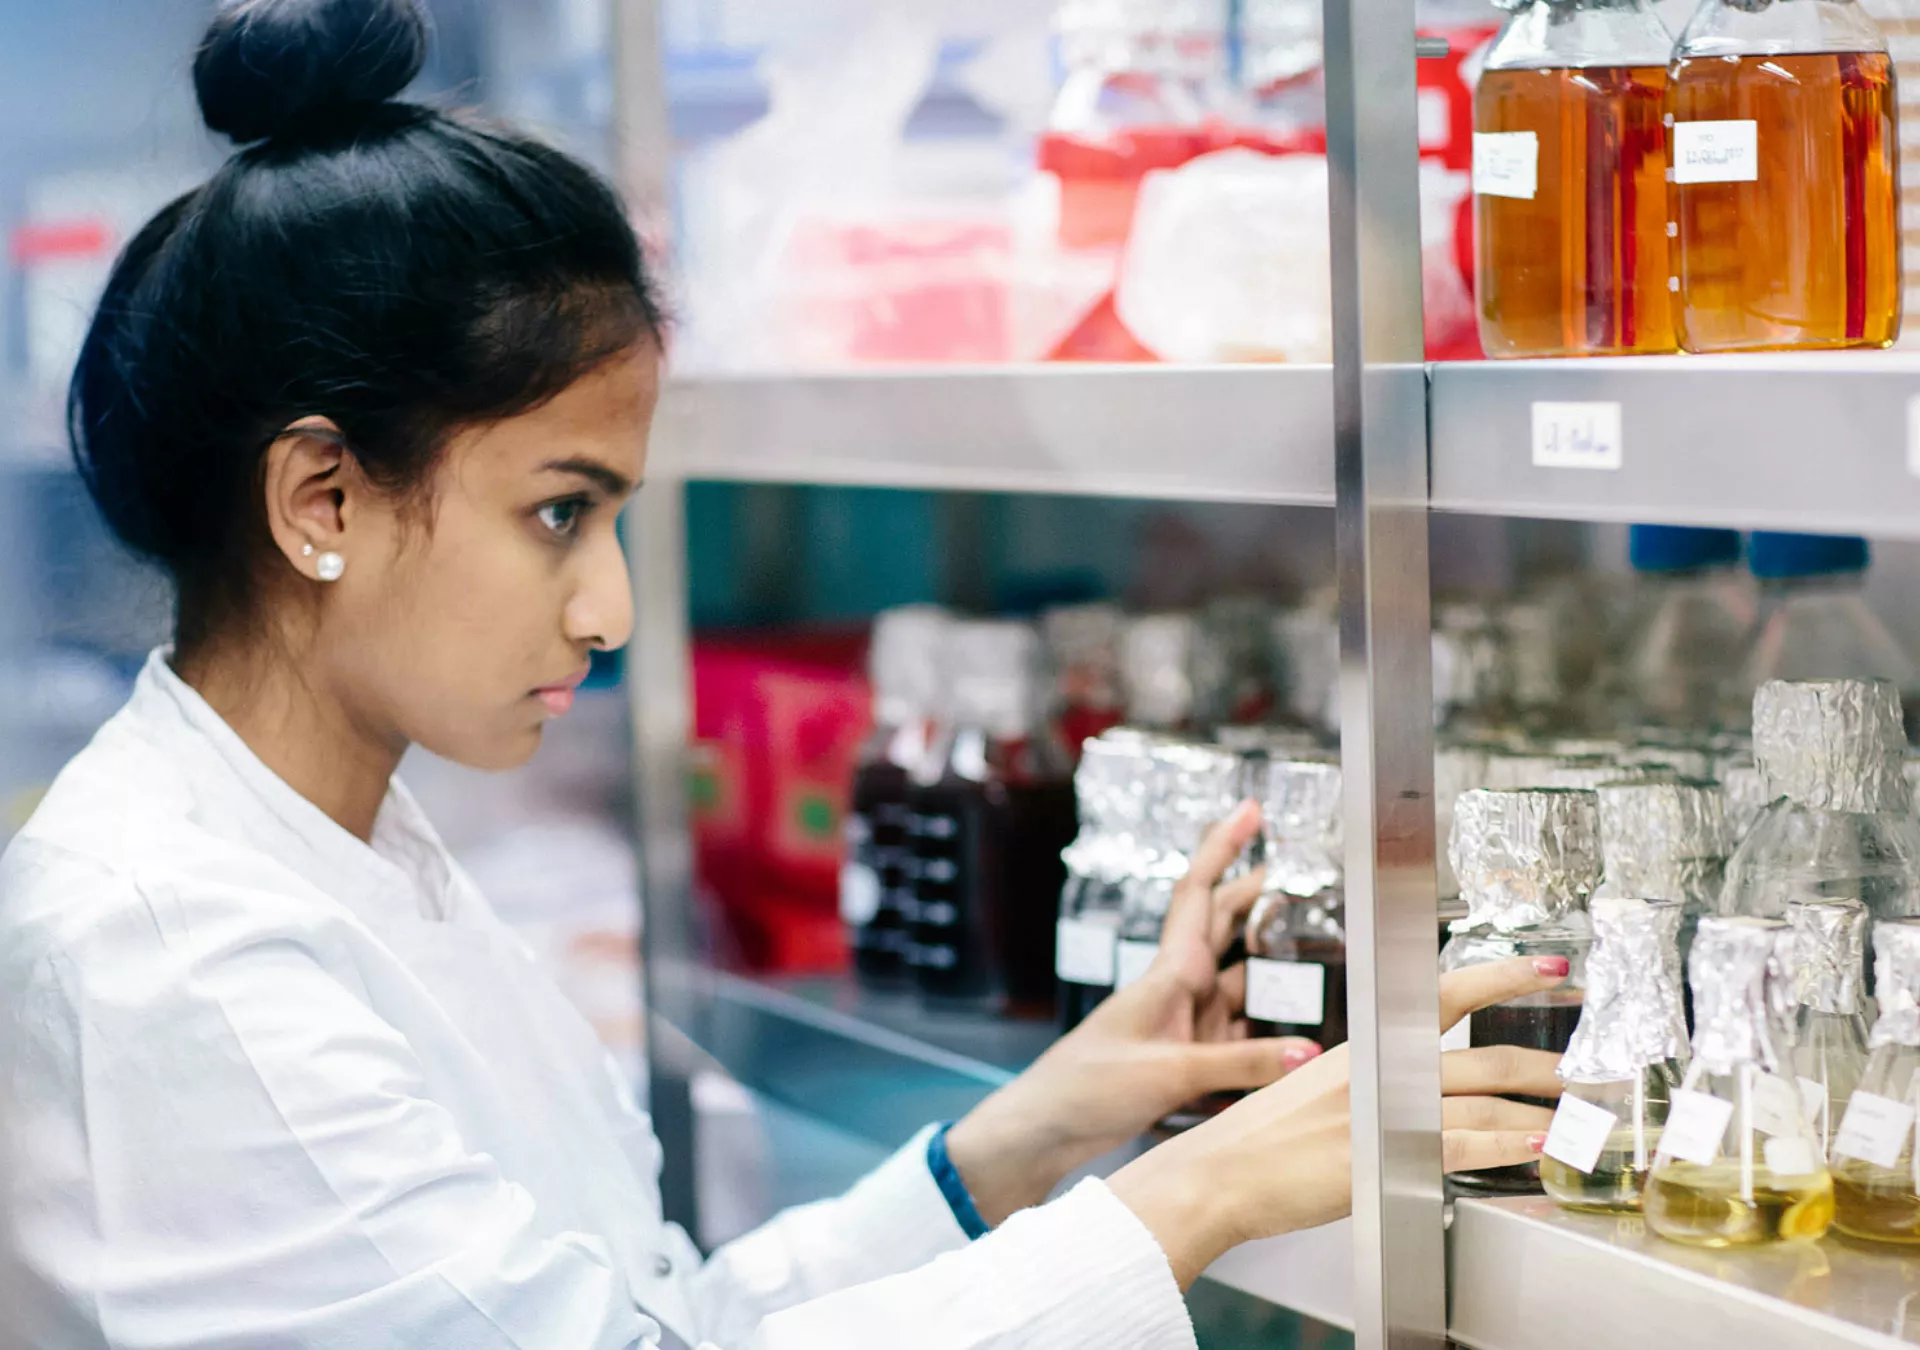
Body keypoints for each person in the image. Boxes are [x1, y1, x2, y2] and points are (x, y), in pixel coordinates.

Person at [0, 2, 1566, 1346]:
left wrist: (1044, 1124)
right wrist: (1201, 1188)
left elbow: (655, 1316)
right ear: (320, 500)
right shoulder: (173, 948)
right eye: (560, 513)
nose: (608, 609)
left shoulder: (344, 853)